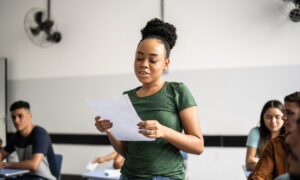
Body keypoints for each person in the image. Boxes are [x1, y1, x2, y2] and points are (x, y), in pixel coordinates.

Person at [95, 18, 204, 180]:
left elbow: (198, 145)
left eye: (152, 60)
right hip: (129, 176)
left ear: (166, 64)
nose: (144, 64)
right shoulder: (128, 97)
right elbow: (125, 151)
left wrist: (164, 131)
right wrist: (109, 131)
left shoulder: (177, 91)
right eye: (139, 58)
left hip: (165, 177)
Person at [248, 92, 300, 180]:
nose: (283, 117)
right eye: (284, 112)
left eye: (289, 113)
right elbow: (258, 175)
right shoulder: (276, 144)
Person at [0, 100, 57, 180]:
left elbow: (34, 165)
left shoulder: (40, 134)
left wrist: (4, 164)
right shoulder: (15, 137)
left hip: (44, 178)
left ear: (30, 116)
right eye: (13, 117)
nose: (16, 120)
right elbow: (2, 154)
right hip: (27, 176)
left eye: (20, 116)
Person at [245, 100, 285, 171]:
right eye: (268, 117)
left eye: (277, 117)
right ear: (263, 118)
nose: (273, 121)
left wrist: (261, 162)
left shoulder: (291, 134)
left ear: (284, 117)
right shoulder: (255, 132)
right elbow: (249, 163)